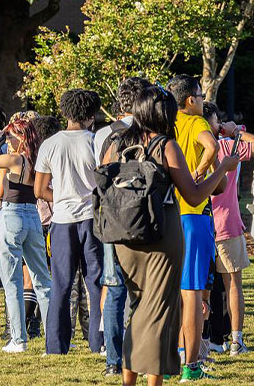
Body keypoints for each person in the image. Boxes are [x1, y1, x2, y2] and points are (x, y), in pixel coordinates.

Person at [101, 85, 239, 386]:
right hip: (161, 235)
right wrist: (224, 169)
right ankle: (154, 382)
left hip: (125, 236)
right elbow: (193, 194)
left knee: (138, 309)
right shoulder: (166, 145)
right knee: (162, 313)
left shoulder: (119, 141)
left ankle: (128, 380)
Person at [0, 118, 51, 353]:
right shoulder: (38, 160)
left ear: (20, 137)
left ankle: (18, 339)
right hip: (33, 217)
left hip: (12, 215)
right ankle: (53, 338)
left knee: (12, 281)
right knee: (42, 280)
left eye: (11, 136)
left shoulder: (14, 159)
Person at [34, 88, 104, 355]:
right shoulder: (95, 142)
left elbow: (40, 190)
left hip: (62, 220)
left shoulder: (50, 144)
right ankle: (99, 342)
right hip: (91, 218)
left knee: (60, 284)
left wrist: (63, 195)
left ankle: (55, 345)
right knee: (95, 282)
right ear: (91, 115)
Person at [93, 77, 151, 377]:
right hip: (138, 218)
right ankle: (136, 356)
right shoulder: (146, 134)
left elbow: (99, 173)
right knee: (140, 291)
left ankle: (113, 361)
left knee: (114, 289)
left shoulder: (103, 135)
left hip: (110, 218)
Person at [166, 75, 220, 380]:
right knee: (193, 295)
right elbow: (211, 147)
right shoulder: (197, 122)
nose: (202, 100)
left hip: (170, 214)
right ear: (190, 100)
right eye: (200, 96)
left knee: (172, 292)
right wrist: (199, 172)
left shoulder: (167, 123)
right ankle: (191, 366)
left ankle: (172, 358)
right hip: (194, 214)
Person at [203, 102, 252, 355]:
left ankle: (202, 342)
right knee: (233, 283)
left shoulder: (187, 147)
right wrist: (233, 132)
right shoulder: (226, 146)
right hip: (226, 224)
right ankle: (236, 341)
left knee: (198, 287)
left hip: (198, 222)